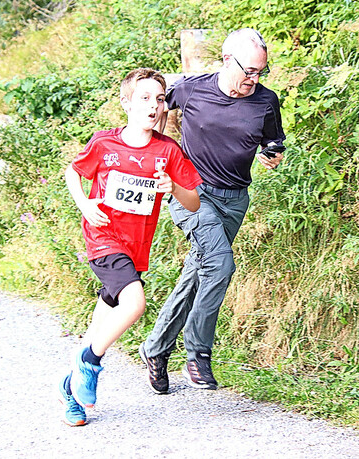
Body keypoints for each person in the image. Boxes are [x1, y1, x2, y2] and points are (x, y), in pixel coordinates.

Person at [139, 28, 285, 393]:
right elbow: (155, 104)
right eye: (249, 71)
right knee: (220, 264)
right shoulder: (193, 89)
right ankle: (198, 354)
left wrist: (273, 153)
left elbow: (273, 139)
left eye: (261, 71)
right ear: (227, 60)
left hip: (234, 200)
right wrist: (155, 146)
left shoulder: (266, 101)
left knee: (198, 271)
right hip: (190, 192)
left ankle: (155, 348)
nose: (254, 79)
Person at [58, 68, 203, 426]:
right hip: (103, 238)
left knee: (101, 323)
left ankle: (71, 390)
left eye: (159, 99)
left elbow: (193, 202)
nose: (153, 106)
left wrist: (173, 188)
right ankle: (89, 363)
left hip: (136, 246)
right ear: (126, 103)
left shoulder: (167, 151)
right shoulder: (104, 144)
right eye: (144, 98)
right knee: (134, 303)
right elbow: (73, 171)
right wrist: (84, 204)